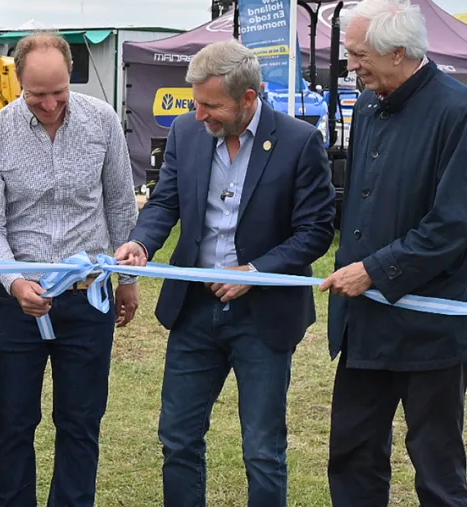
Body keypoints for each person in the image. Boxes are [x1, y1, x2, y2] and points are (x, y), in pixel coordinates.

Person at [115, 39, 336, 507]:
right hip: (194, 313)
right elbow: (166, 202)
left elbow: (315, 232)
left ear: (248, 99)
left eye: (211, 105)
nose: (200, 115)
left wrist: (255, 272)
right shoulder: (186, 133)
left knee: (262, 449)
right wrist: (141, 242)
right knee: (178, 439)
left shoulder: (299, 142)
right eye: (196, 103)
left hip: (264, 318)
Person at [320, 0, 467, 505]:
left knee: (436, 464)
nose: (351, 66)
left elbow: (452, 224)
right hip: (365, 323)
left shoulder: (456, 109)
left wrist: (373, 271)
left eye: (358, 55)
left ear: (398, 52)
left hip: (429, 324)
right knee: (352, 454)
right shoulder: (368, 104)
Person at [0, 33, 139, 506]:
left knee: (81, 421)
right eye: (36, 94)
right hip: (17, 304)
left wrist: (127, 281)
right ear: (17, 82)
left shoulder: (102, 122)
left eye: (58, 91)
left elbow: (120, 204)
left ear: (71, 75)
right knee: (14, 420)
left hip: (88, 298)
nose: (49, 103)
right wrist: (17, 281)